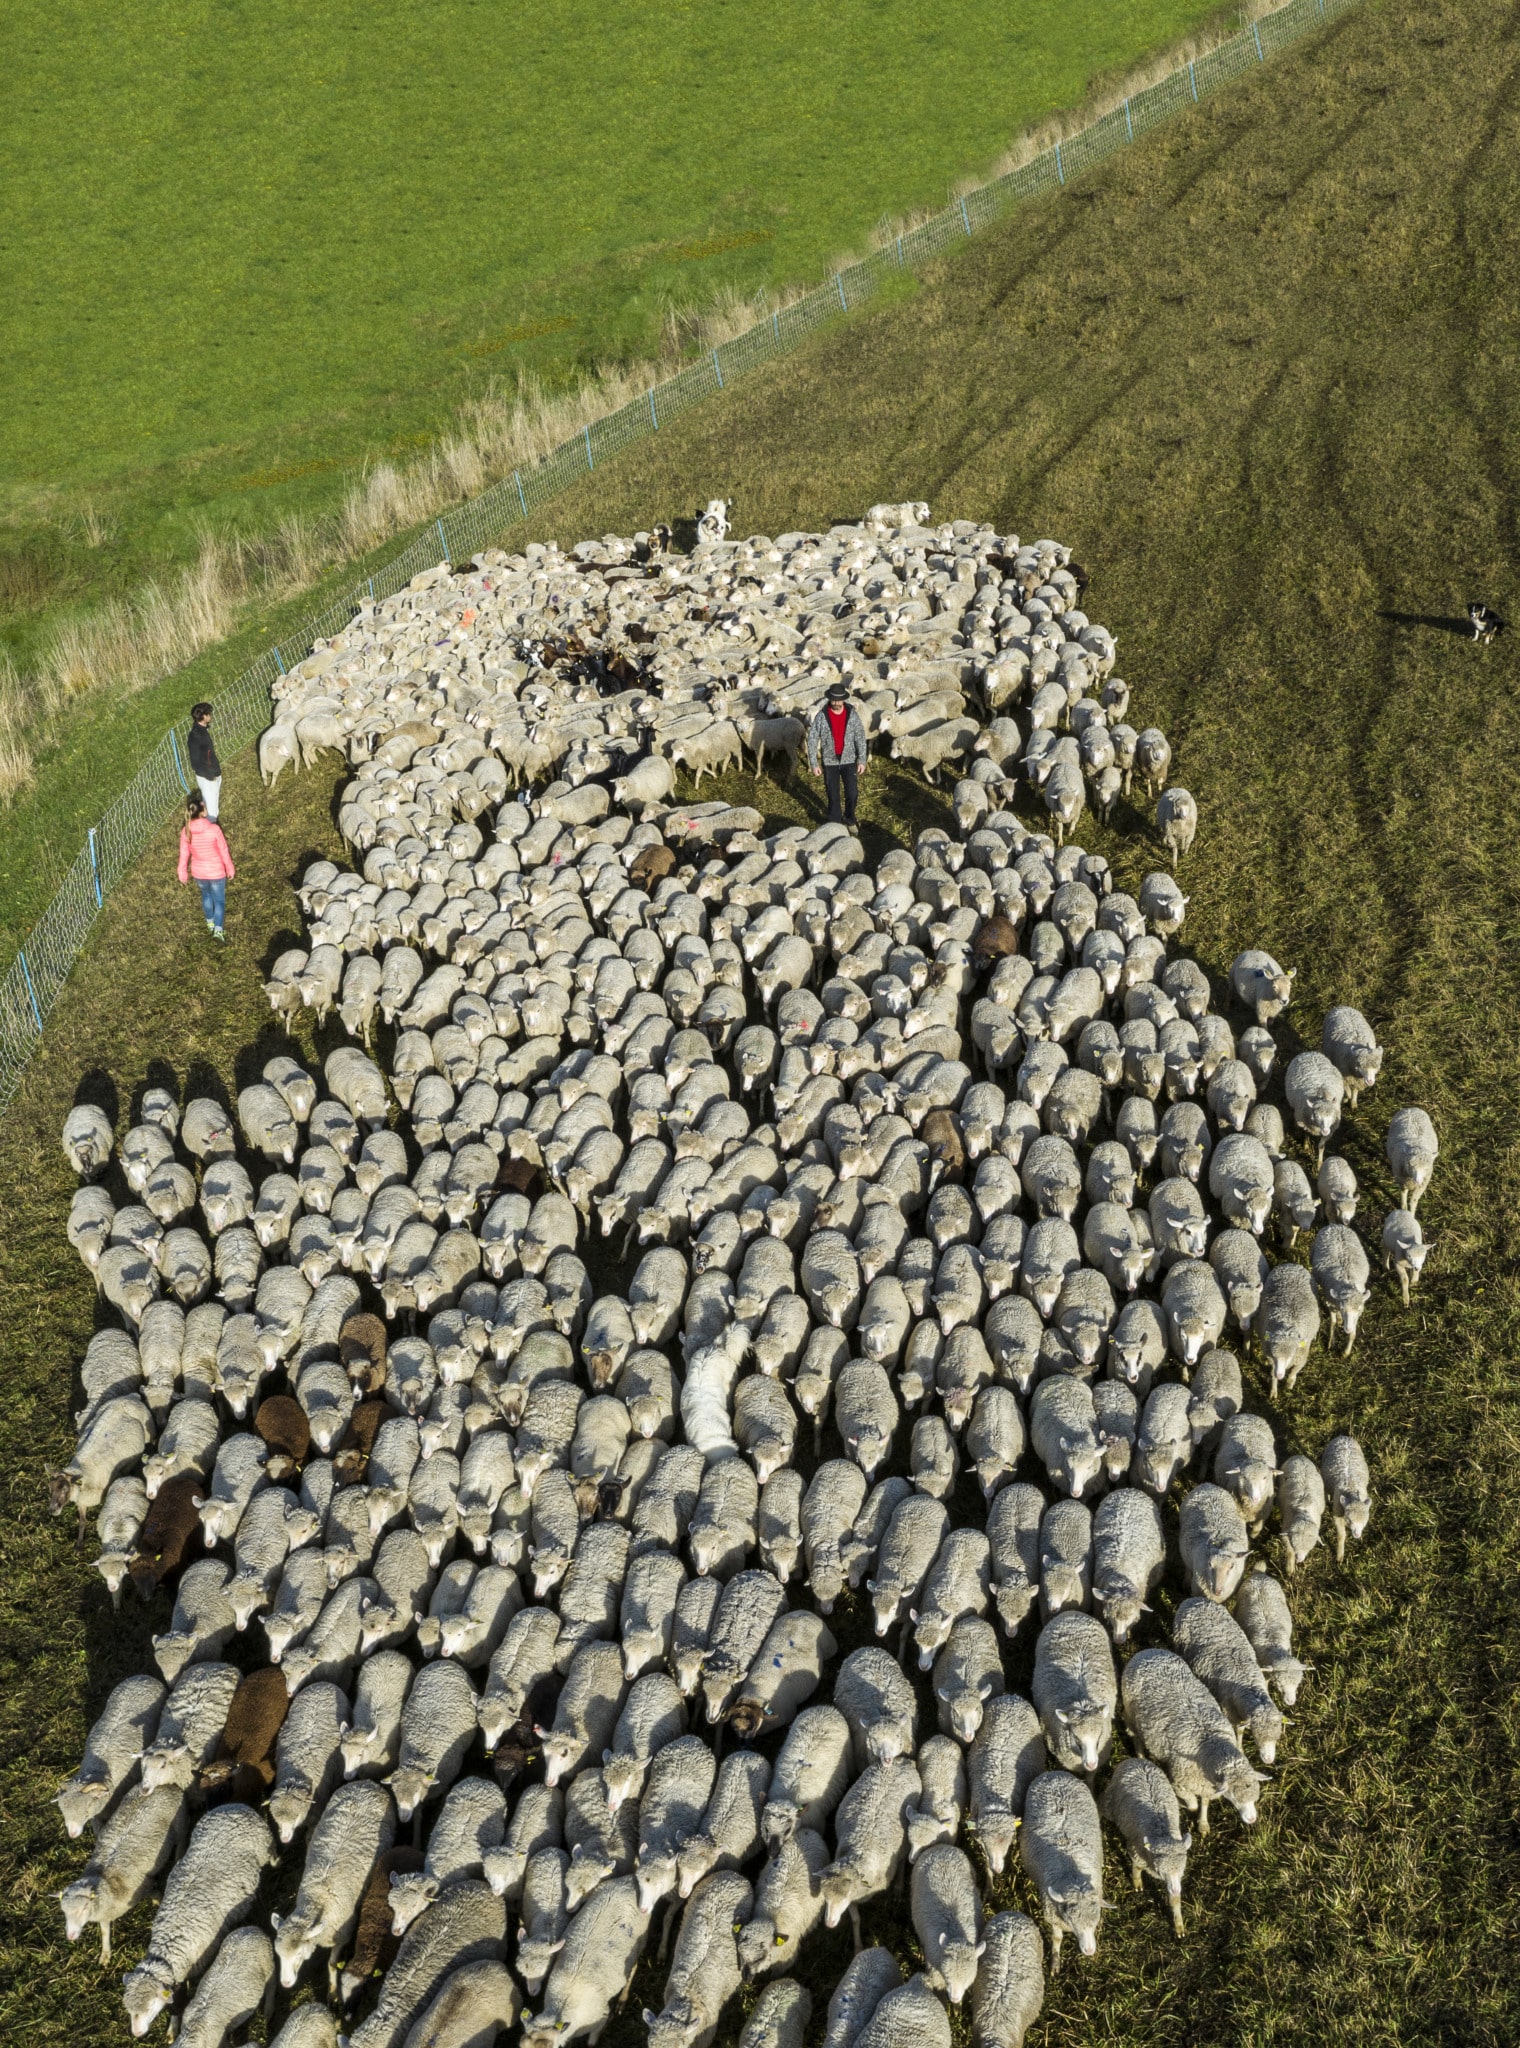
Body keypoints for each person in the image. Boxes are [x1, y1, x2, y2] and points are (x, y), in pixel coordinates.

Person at [807, 680, 869, 826]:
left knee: (852, 794)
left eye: (839, 699)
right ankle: (834, 824)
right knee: (833, 795)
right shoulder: (822, 716)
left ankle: (849, 819)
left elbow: (860, 736)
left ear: (843, 699)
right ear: (829, 698)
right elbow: (812, 738)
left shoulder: (852, 714)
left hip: (849, 759)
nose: (836, 702)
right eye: (834, 699)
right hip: (830, 761)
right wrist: (814, 763)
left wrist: (862, 760)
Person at [177, 793, 235, 942]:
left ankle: (209, 922)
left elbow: (184, 855)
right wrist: (230, 868)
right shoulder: (214, 829)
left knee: (206, 896)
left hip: (199, 873)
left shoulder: (186, 831)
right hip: (216, 873)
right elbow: (224, 851)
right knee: (219, 901)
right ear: (202, 812)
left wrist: (182, 874)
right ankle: (218, 930)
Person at [187, 702, 221, 818]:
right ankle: (211, 825)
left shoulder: (202, 730)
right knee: (210, 805)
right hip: (207, 776)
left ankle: (214, 821)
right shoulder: (196, 736)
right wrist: (209, 775)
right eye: (209, 713)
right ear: (204, 716)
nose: (211, 715)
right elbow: (195, 761)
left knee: (214, 799)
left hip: (213, 771)